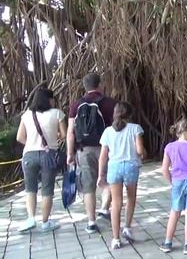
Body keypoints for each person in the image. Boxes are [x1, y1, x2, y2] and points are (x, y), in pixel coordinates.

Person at [67, 73, 117, 233]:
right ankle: (104, 208)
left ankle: (91, 222)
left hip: (84, 150)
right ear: (100, 85)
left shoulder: (76, 105)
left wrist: (69, 153)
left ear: (85, 86)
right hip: (107, 149)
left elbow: (70, 132)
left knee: (88, 186)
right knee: (110, 180)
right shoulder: (111, 103)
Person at [16, 88, 67, 233]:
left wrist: (33, 144)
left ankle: (31, 218)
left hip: (29, 155)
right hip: (49, 155)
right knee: (47, 189)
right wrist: (53, 136)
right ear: (49, 99)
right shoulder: (57, 113)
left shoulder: (26, 115)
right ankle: (45, 222)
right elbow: (64, 135)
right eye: (53, 98)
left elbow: (20, 137)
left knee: (30, 189)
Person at [97, 102, 145, 250]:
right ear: (130, 114)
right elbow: (139, 150)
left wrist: (100, 175)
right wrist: (143, 152)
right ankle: (127, 228)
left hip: (114, 167)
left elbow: (103, 156)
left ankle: (116, 239)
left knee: (116, 203)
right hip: (131, 166)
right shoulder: (135, 128)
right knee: (131, 198)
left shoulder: (107, 131)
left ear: (115, 114)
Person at [158, 118, 187, 255]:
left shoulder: (169, 147)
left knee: (174, 212)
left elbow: (164, 169)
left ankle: (167, 243)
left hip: (177, 182)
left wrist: (172, 182)